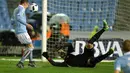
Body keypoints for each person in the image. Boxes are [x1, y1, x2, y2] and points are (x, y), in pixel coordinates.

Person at [42, 20, 114, 67]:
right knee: (93, 61)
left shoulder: (71, 53)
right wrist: (47, 57)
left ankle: (104, 29)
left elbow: (69, 45)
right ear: (61, 57)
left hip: (86, 55)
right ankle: (108, 53)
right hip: (88, 63)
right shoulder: (66, 64)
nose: (62, 53)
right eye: (61, 53)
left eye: (61, 52)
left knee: (89, 43)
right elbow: (55, 64)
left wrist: (61, 45)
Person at [13, 0, 36, 68]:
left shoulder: (16, 9)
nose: (28, 5)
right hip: (22, 31)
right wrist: (27, 24)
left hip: (18, 31)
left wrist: (16, 25)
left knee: (29, 46)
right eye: (28, 3)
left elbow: (12, 20)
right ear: (25, 3)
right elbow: (18, 17)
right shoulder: (21, 8)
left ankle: (31, 62)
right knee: (31, 47)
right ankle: (21, 62)